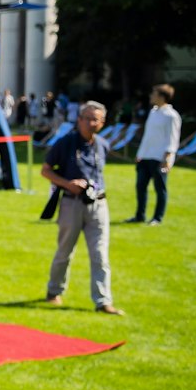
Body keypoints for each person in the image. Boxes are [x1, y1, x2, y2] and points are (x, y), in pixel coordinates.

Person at [42, 100, 120, 315]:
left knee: (100, 254)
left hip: (98, 204)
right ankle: (54, 291)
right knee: (65, 252)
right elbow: (45, 170)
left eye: (96, 119)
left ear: (103, 123)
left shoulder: (102, 144)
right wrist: (68, 184)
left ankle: (103, 301)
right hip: (72, 203)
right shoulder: (66, 143)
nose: (91, 123)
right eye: (87, 119)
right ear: (79, 120)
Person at [129, 85, 181, 225]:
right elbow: (148, 136)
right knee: (140, 186)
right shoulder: (153, 112)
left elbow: (173, 138)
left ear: (162, 96)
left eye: (154, 94)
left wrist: (167, 158)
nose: (151, 96)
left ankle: (157, 218)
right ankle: (139, 216)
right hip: (145, 156)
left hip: (159, 158)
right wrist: (140, 153)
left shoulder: (172, 116)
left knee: (160, 189)